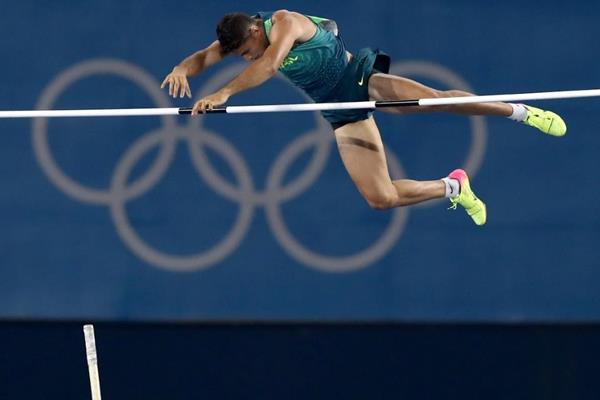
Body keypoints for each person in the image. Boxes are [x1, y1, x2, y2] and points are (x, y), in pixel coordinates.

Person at [161, 10, 567, 226]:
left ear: (253, 30)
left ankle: (520, 112)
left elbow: (267, 66)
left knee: (438, 101)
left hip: (360, 80)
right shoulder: (242, 37)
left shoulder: (283, 22)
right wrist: (182, 67)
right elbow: (205, 57)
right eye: (237, 57)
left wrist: (225, 91)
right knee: (381, 198)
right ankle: (452, 188)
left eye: (243, 51)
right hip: (340, 111)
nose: (243, 57)